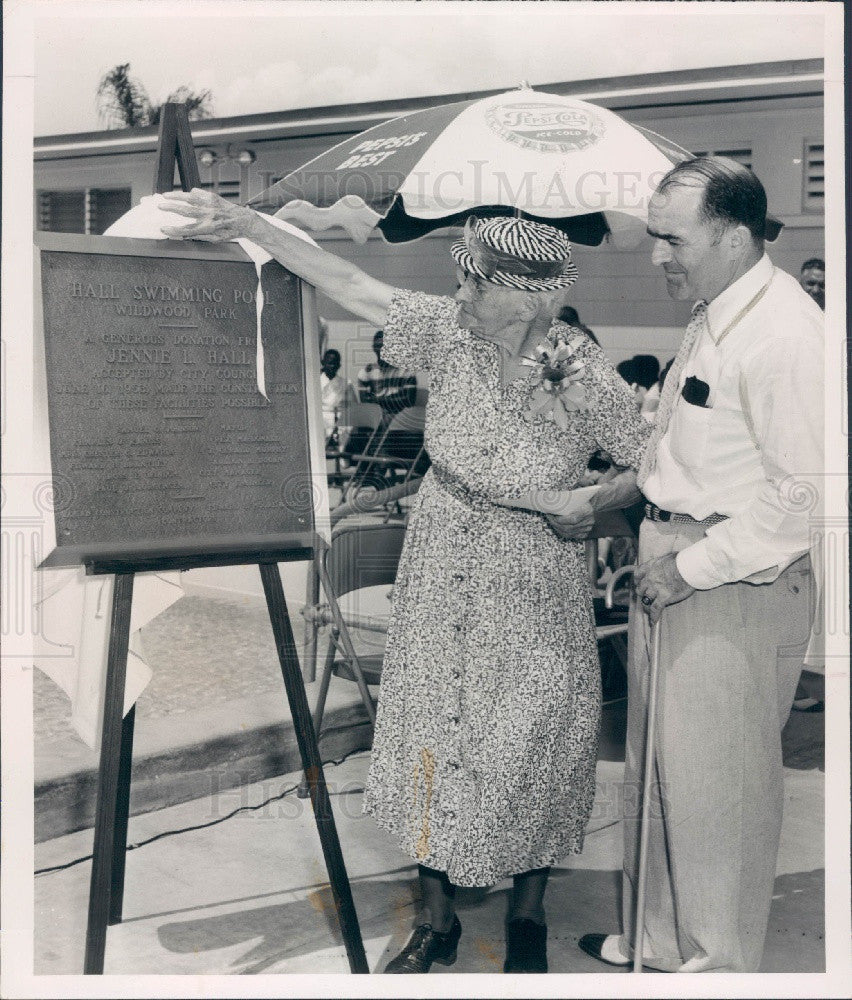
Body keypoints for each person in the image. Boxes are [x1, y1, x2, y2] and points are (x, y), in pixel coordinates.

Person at [159, 193, 650, 974]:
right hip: (442, 557)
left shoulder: (582, 370)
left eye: (473, 283)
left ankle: (528, 911)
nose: (458, 295)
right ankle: (436, 918)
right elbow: (349, 281)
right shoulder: (447, 335)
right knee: (435, 732)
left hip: (533, 573)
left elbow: (650, 460)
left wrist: (591, 500)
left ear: (522, 294)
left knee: (534, 739)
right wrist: (253, 226)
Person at [576, 157, 823, 972]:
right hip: (675, 557)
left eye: (670, 240)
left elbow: (804, 497)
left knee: (720, 792)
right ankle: (656, 944)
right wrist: (631, 496)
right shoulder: (715, 313)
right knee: (658, 775)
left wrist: (690, 568)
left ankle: (717, 968)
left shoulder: (784, 334)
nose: (656, 258)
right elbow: (690, 447)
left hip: (729, 578)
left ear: (734, 235)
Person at [356, 329, 417, 418]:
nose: (382, 350)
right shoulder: (366, 373)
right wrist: (397, 398)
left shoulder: (407, 372)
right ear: (373, 348)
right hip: (376, 418)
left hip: (400, 419)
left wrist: (376, 399)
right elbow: (365, 403)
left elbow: (409, 401)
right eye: (378, 346)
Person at [319, 347, 351, 441]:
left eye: (335, 363)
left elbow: (351, 406)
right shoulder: (314, 382)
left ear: (339, 365)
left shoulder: (346, 383)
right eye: (329, 363)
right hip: (320, 420)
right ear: (323, 363)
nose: (332, 366)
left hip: (339, 420)